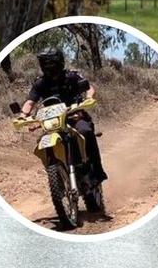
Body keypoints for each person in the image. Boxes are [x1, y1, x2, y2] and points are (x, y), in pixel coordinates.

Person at [20, 47, 108, 185]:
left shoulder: (71, 76)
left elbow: (89, 88)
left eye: (51, 63)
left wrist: (88, 98)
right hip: (53, 122)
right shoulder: (40, 83)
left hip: (75, 116)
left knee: (85, 131)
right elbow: (30, 101)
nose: (49, 67)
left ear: (59, 62)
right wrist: (22, 115)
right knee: (42, 142)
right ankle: (57, 177)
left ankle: (97, 171)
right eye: (45, 64)